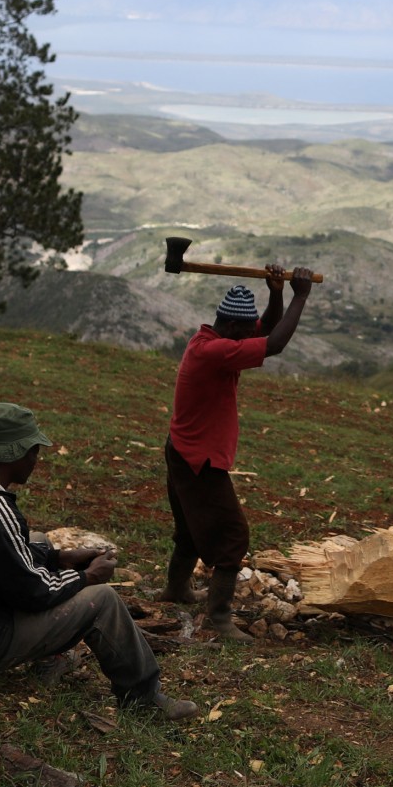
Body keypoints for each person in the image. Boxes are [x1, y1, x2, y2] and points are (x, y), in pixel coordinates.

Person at [0, 402, 195, 719]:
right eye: (34, 452)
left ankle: (48, 658)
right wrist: (88, 577)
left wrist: (60, 556)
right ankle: (144, 698)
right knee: (103, 601)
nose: (36, 461)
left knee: (38, 541)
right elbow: (32, 590)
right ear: (18, 453)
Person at [162, 265, 315, 641]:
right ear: (232, 330)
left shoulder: (213, 340)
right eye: (245, 333)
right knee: (232, 535)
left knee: (189, 530)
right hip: (199, 460)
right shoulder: (215, 351)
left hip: (184, 451)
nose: (252, 337)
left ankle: (177, 590)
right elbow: (274, 342)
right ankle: (219, 618)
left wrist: (276, 292)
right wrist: (301, 295)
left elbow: (264, 331)